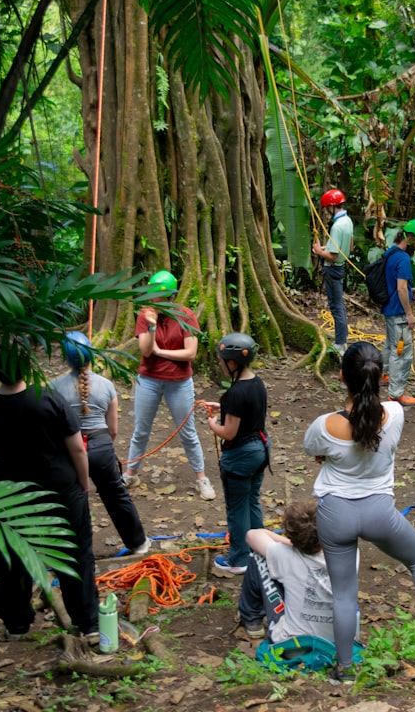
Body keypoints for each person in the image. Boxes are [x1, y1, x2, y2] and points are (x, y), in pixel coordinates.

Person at [304, 342, 415, 683]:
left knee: (343, 591)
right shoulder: (396, 414)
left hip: (335, 513)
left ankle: (344, 670)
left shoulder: (324, 425)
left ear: (342, 377)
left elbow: (314, 450)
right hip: (379, 513)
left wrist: (330, 456)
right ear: (381, 375)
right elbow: (374, 438)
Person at [0, 341, 99, 642]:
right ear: (26, 366)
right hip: (60, 491)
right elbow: (77, 447)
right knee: (75, 554)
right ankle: (88, 623)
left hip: (9, 499)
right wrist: (84, 482)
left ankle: (16, 624)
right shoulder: (50, 399)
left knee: (10, 558)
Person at [52, 331, 150, 556]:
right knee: (115, 494)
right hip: (101, 446)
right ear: (91, 356)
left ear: (66, 359)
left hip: (68, 450)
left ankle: (72, 551)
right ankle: (138, 543)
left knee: (70, 498)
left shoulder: (54, 388)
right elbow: (113, 429)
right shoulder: (106, 385)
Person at [125, 270, 216, 501]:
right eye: (154, 296)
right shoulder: (145, 316)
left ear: (171, 296)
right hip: (149, 380)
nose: (156, 300)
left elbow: (191, 353)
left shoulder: (185, 315)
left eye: (161, 296)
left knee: (188, 433)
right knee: (141, 431)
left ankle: (201, 479)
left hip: (179, 382)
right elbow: (145, 351)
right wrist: (152, 326)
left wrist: (160, 352)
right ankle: (130, 474)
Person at [205, 333, 270, 574]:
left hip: (241, 456)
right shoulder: (257, 382)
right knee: (252, 500)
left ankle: (239, 560)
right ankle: (260, 549)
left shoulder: (234, 393)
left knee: (237, 507)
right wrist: (223, 408)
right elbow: (247, 410)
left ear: (232, 363)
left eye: (222, 361)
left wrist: (213, 424)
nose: (220, 364)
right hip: (261, 450)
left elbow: (229, 432)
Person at [237, 498, 337, 643]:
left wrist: (293, 544)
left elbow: (253, 535)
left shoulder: (282, 554)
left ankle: (252, 619)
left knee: (258, 555)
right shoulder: (350, 555)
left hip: (291, 644)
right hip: (335, 643)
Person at [382, 219, 415, 406]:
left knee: (390, 345)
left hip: (389, 309)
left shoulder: (391, 253)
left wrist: (412, 290)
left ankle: (383, 374)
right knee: (402, 352)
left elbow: (398, 285)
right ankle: (396, 393)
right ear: (409, 239)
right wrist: (410, 314)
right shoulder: (403, 259)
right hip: (399, 313)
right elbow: (401, 289)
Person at [312, 189, 353, 353]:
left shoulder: (337, 226)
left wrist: (318, 251)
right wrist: (325, 248)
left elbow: (333, 256)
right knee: (339, 306)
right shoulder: (348, 221)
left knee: (336, 307)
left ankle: (341, 343)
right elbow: (348, 246)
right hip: (341, 267)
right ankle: (341, 340)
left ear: (331, 207)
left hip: (333, 269)